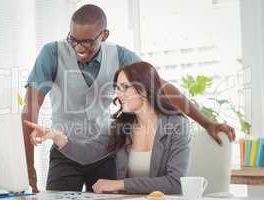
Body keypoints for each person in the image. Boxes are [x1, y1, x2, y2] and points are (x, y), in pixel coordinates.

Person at [22, 4, 235, 193]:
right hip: (67, 153)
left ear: (104, 35)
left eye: (86, 42)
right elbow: (30, 108)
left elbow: (158, 85)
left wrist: (207, 123)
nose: (78, 48)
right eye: (73, 40)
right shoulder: (51, 53)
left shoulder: (121, 56)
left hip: (107, 152)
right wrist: (29, 167)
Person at [24, 61, 190, 194]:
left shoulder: (176, 126)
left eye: (125, 87)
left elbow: (175, 183)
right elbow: (87, 154)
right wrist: (58, 137)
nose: (119, 94)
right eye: (117, 88)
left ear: (145, 89)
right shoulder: (119, 127)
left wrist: (119, 184)